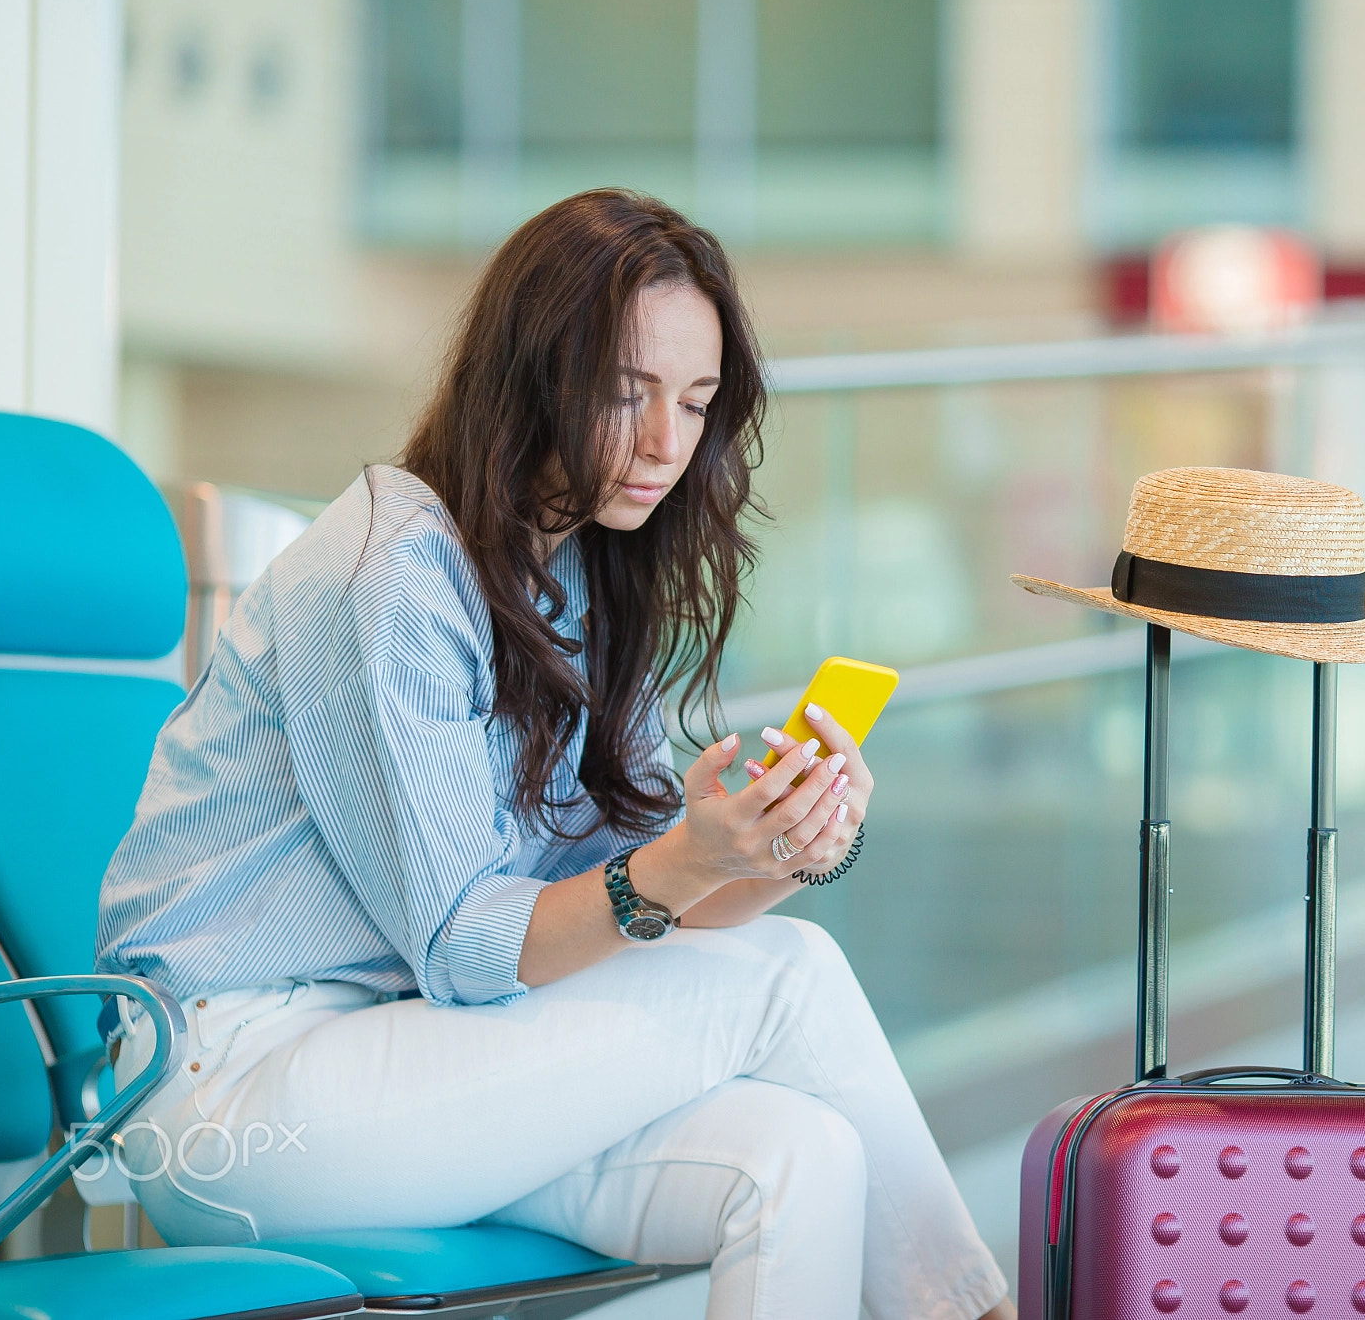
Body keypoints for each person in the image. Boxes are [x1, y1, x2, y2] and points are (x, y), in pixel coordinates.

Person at [96, 188, 1012, 1320]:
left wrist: (776, 848)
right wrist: (685, 861)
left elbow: (622, 915)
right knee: (793, 975)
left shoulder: (574, 574)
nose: (668, 443)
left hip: (421, 1061)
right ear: (531, 373)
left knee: (803, 1151)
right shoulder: (389, 565)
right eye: (627, 392)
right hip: (231, 1102)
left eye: (694, 400)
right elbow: (466, 945)